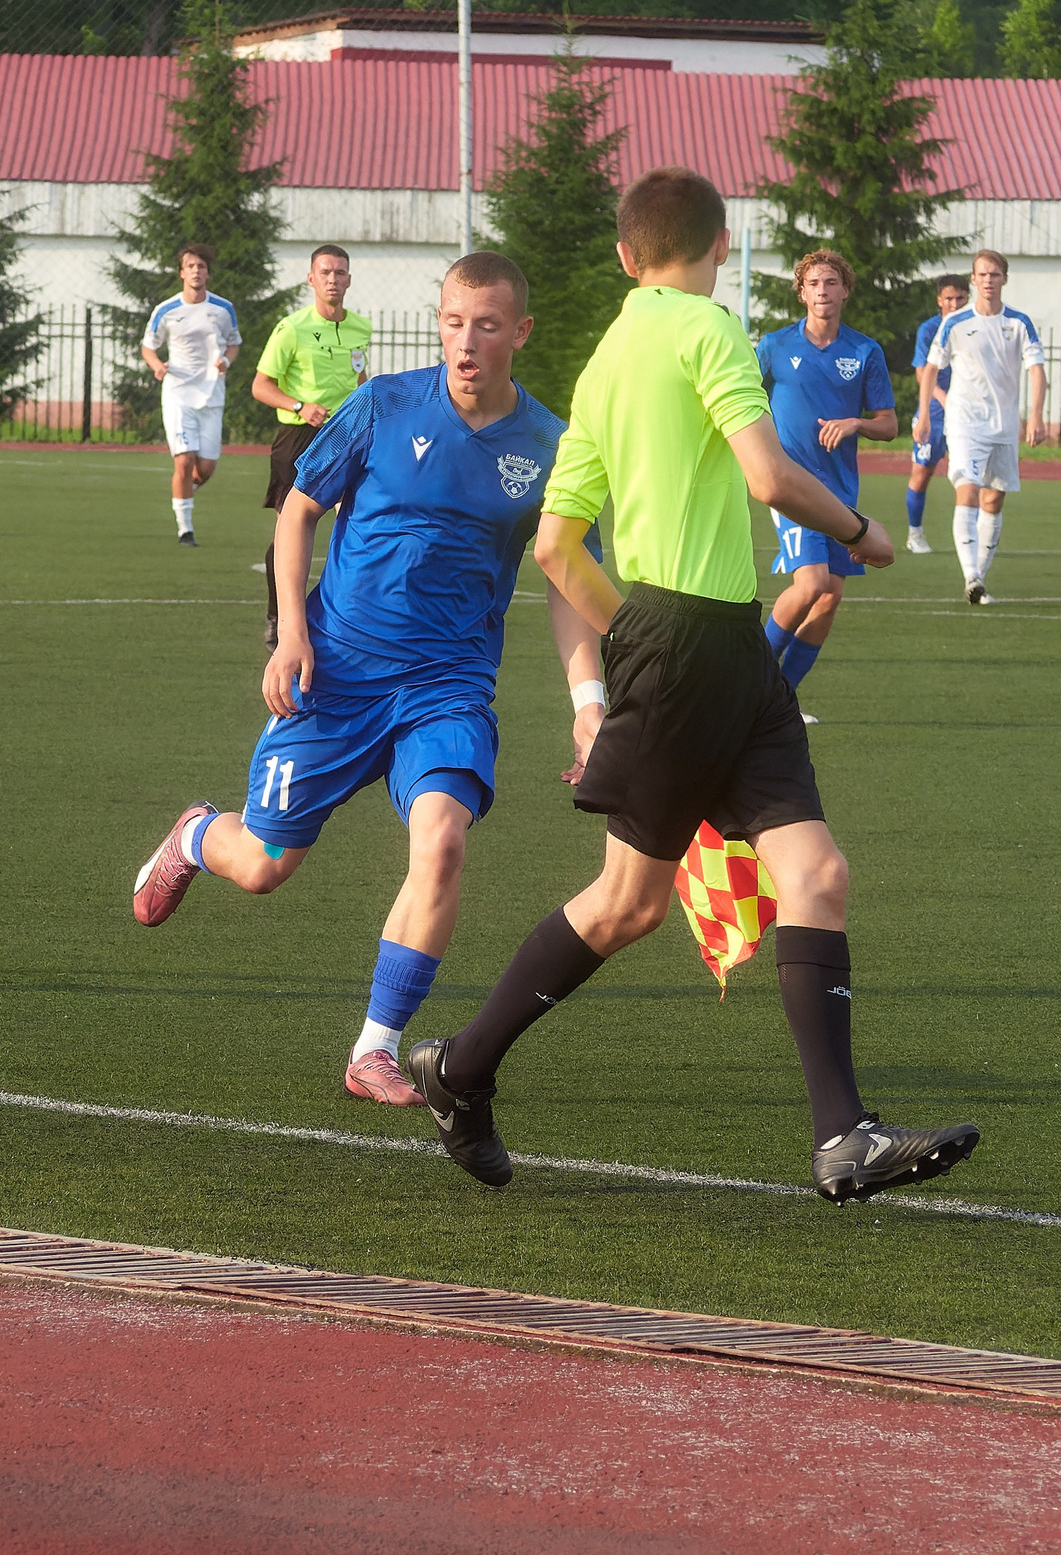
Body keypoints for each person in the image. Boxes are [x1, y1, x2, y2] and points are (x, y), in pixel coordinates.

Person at [404, 168, 979, 1205]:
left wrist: (631, 633)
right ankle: (460, 1066)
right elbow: (766, 475)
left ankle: (840, 1135)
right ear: (721, 246)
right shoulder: (708, 330)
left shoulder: (601, 364)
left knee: (816, 876)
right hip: (691, 644)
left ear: (626, 257)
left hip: (713, 649)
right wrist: (859, 532)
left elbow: (555, 545)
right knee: (626, 905)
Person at [129, 253, 606, 1107]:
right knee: (266, 865)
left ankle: (374, 1048)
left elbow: (569, 578)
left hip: (447, 685)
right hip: (339, 670)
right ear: (439, 322)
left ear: (520, 333)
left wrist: (588, 707)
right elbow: (300, 511)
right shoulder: (385, 404)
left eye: (488, 326)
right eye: (454, 322)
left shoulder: (549, 445)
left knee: (445, 840)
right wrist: (290, 636)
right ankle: (197, 835)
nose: (467, 343)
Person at [757, 250, 896, 722]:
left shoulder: (863, 352)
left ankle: (777, 702)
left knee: (830, 596)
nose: (822, 290)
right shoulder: (774, 346)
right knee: (812, 582)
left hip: (840, 489)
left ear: (845, 290)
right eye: (813, 282)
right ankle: (743, 684)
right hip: (791, 483)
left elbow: (890, 425)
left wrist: (856, 422)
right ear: (801, 291)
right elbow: (744, 404)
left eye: (831, 282)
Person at [251, 245, 372, 648]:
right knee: (290, 529)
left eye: (340, 273)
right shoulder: (292, 328)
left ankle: (351, 616)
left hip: (348, 435)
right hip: (300, 438)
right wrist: (300, 406)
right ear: (311, 279)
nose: (333, 280)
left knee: (358, 525)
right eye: (325, 273)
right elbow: (261, 386)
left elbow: (359, 377)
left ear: (351, 280)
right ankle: (278, 618)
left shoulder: (360, 327)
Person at [924, 250, 1046, 604]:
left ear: (1004, 279)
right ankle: (971, 575)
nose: (988, 281)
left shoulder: (1020, 323)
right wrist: (922, 413)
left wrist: (1035, 415)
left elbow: (1036, 369)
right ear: (973, 280)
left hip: (1004, 425)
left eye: (995, 274)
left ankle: (978, 581)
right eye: (982, 275)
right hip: (965, 422)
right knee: (969, 488)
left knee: (994, 498)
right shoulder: (955, 322)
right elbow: (931, 368)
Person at [142, 244, 243, 545]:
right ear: (181, 273)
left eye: (201, 266)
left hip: (212, 393)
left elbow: (234, 344)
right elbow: (148, 346)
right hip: (178, 393)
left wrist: (226, 360)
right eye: (191, 266)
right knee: (183, 461)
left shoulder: (223, 309)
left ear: (207, 272)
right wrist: (157, 365)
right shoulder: (167, 309)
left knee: (206, 467)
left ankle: (186, 489)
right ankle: (184, 529)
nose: (196, 271)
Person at [901, 273, 969, 553]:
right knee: (922, 472)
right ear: (939, 300)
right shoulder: (929, 329)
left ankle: (969, 538)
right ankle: (915, 533)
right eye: (949, 298)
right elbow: (922, 372)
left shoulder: (973, 327)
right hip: (935, 412)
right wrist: (942, 399)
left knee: (968, 477)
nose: (954, 304)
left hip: (967, 415)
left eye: (960, 298)